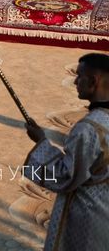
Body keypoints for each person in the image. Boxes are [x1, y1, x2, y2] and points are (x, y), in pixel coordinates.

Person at [23, 53, 109, 250]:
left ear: (94, 81)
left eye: (79, 76)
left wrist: (41, 142)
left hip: (89, 213)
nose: (75, 81)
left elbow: (66, 176)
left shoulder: (88, 128)